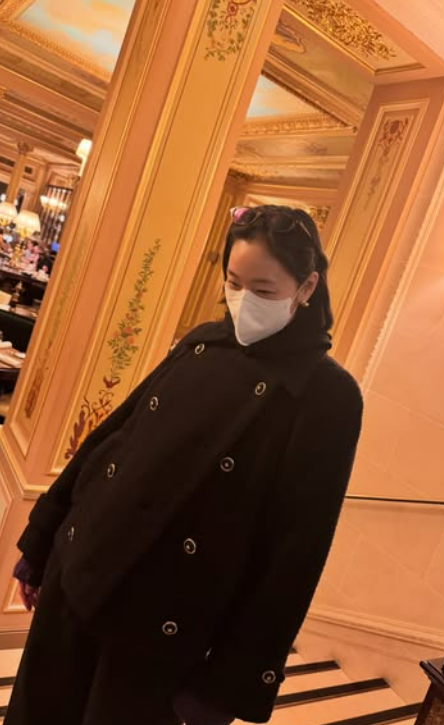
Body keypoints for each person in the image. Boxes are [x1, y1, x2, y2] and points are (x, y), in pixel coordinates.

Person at [6, 205, 363, 725]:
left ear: (306, 287)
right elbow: (110, 442)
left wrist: (228, 686)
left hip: (159, 632)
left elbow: (294, 556)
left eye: (263, 291)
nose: (242, 301)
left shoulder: (326, 396)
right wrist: (41, 544)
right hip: (77, 578)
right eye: (233, 283)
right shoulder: (201, 342)